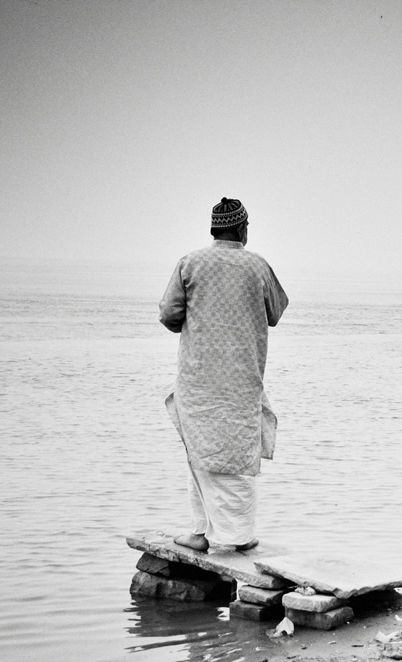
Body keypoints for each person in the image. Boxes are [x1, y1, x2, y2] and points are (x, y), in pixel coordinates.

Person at [158, 197, 289, 553]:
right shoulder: (257, 267)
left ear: (214, 229)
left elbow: (169, 316)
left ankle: (202, 533)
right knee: (235, 453)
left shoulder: (190, 264)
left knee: (200, 451)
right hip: (242, 379)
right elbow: (276, 312)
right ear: (242, 229)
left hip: (197, 379)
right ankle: (237, 536)